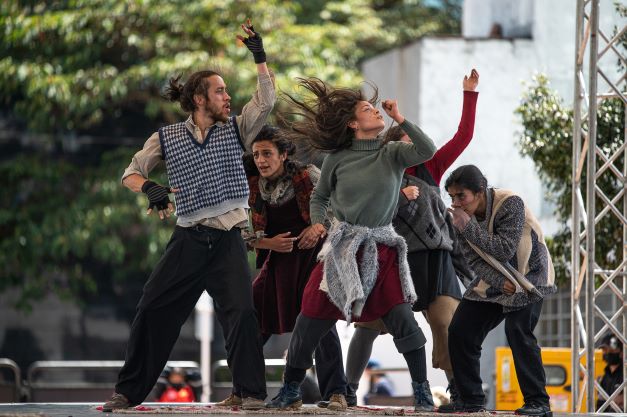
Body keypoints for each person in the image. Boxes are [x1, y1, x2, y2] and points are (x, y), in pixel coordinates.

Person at [101, 20, 275, 412]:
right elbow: (130, 173)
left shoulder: (237, 129)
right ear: (200, 98)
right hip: (189, 238)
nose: (227, 97)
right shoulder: (167, 137)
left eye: (227, 91)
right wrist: (149, 187)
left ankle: (251, 393)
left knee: (242, 313)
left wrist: (259, 58)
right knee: (152, 307)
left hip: (229, 236)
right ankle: (127, 393)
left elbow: (266, 101)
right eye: (219, 91)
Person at [265, 77, 437, 411]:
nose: (377, 111)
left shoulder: (393, 153)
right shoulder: (337, 158)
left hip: (381, 249)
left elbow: (427, 150)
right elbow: (320, 196)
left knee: (403, 319)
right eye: (368, 109)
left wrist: (400, 118)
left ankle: (422, 392)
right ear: (354, 124)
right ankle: (290, 389)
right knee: (309, 318)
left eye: (376, 108)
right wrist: (317, 221)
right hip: (341, 248)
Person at [344, 69, 479, 406]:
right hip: (394, 258)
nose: (416, 145)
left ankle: (459, 390)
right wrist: (399, 197)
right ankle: (344, 390)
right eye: (408, 140)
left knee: (448, 325)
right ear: (394, 151)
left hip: (436, 258)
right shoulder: (381, 175)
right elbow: (365, 216)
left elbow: (463, 136)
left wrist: (469, 94)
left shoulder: (430, 168)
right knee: (368, 325)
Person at [216, 125, 347, 409]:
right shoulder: (249, 185)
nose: (261, 160)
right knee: (247, 321)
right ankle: (243, 390)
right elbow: (237, 231)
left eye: (267, 153)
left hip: (315, 262)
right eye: (257, 154)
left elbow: (339, 211)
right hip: (277, 265)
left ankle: (337, 393)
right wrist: (268, 244)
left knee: (320, 325)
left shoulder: (309, 175)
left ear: (284, 154)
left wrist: (319, 226)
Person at [439, 165, 556, 417]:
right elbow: (473, 259)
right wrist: (496, 281)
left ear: (480, 192)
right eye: (452, 197)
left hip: (528, 274)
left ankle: (538, 402)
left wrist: (468, 226)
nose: (456, 203)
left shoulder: (510, 203)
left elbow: (504, 249)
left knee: (518, 330)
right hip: (496, 280)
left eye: (462, 196)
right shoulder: (460, 218)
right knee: (460, 330)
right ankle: (470, 399)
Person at [596, 333, 624, 412]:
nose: (607, 353)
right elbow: (600, 403)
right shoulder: (604, 377)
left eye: (611, 350)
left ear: (621, 352)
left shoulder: (624, 375)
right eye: (604, 350)